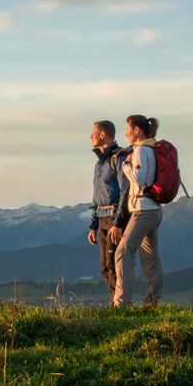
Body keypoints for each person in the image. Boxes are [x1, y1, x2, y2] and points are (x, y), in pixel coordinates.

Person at [109, 115, 163, 307]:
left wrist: (126, 166)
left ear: (137, 130)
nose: (126, 133)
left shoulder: (140, 150)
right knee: (150, 257)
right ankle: (153, 300)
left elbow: (139, 180)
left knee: (123, 251)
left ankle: (122, 302)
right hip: (154, 209)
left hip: (143, 210)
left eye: (128, 129)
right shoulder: (152, 148)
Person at [88, 120, 129, 306]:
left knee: (114, 265)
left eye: (93, 133)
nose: (90, 137)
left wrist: (118, 222)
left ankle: (120, 306)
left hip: (113, 217)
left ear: (103, 135)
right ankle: (115, 303)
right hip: (102, 218)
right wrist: (93, 224)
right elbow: (96, 196)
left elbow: (124, 191)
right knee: (104, 267)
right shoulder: (99, 164)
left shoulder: (118, 158)